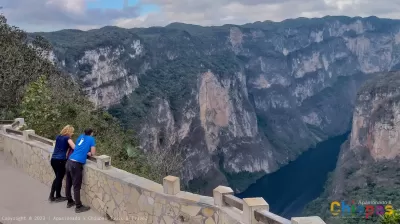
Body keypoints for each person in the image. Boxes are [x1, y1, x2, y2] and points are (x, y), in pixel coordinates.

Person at [65, 128, 96, 213]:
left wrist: (85, 152)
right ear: (91, 133)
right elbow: (93, 153)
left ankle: (69, 202)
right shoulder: (91, 139)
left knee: (68, 183)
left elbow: (78, 147)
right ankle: (78, 206)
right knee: (76, 186)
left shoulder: (81, 136)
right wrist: (89, 153)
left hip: (69, 161)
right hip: (76, 164)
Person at [49, 125, 76, 202]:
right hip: (60, 160)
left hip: (53, 159)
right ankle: (57, 196)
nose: (72, 133)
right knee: (59, 178)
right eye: (72, 132)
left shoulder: (58, 137)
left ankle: (52, 195)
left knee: (57, 177)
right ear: (69, 131)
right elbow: (74, 147)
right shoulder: (67, 138)